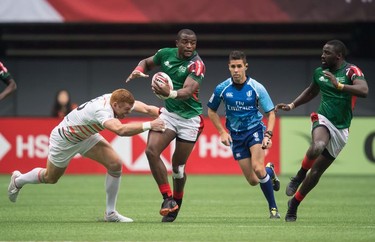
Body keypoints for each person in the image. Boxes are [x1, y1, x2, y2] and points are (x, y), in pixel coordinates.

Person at [8, 88, 166, 222]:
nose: (126, 115)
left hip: (85, 136)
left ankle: (110, 213)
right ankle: (18, 180)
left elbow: (146, 109)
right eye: (124, 111)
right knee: (51, 177)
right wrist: (150, 125)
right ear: (115, 105)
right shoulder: (103, 110)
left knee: (115, 164)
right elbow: (121, 130)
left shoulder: (116, 99)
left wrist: (164, 113)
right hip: (65, 139)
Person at [275, 40, 369, 222]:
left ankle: (294, 204)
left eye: (327, 53)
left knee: (317, 173)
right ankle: (299, 176)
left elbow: (363, 90)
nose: (322, 56)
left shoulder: (351, 71)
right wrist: (292, 105)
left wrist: (339, 85)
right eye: (322, 52)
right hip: (323, 118)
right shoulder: (319, 73)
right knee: (317, 145)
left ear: (338, 56)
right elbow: (311, 91)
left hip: (342, 128)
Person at [125, 29, 205, 222]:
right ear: (177, 42)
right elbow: (146, 62)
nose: (189, 46)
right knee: (151, 151)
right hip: (169, 115)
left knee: (178, 168)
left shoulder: (197, 65)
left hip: (190, 119)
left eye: (192, 43)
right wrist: (139, 69)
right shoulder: (165, 54)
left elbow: (187, 90)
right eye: (185, 42)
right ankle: (167, 199)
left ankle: (177, 203)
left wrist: (169, 93)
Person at [207, 50, 281, 219]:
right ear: (229, 67)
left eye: (239, 66)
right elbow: (211, 111)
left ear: (245, 67)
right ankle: (270, 171)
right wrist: (222, 132)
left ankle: (273, 209)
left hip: (254, 130)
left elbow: (271, 113)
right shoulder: (222, 88)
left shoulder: (256, 87)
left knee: (257, 167)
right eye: (233, 66)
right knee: (253, 180)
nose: (236, 70)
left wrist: (268, 135)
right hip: (236, 136)